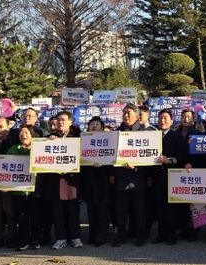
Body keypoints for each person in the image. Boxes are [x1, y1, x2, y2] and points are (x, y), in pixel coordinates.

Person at [112, 104, 154, 247]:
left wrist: (137, 167)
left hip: (139, 177)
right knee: (120, 210)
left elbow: (151, 157)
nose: (126, 116)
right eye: (124, 113)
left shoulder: (146, 133)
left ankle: (140, 235)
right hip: (120, 177)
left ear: (137, 115)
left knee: (139, 210)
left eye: (129, 113)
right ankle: (121, 235)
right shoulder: (116, 132)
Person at [42, 111, 82, 250]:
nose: (60, 122)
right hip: (55, 180)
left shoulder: (78, 137)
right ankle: (61, 237)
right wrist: (49, 141)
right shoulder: (49, 138)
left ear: (71, 122)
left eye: (63, 119)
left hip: (71, 180)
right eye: (58, 119)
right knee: (57, 211)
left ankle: (75, 236)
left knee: (73, 210)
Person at [153, 109, 190, 245]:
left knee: (172, 208)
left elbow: (182, 156)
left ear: (171, 121)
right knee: (159, 207)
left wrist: (169, 160)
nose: (162, 120)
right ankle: (160, 235)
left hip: (173, 176)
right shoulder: (152, 137)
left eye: (165, 118)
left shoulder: (177, 137)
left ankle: (172, 235)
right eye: (160, 118)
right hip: (157, 176)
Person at [8, 124, 42, 250]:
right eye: (21, 132)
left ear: (33, 135)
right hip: (19, 189)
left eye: (26, 132)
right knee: (22, 216)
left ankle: (35, 239)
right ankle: (23, 240)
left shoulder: (40, 148)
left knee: (35, 216)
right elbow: (5, 167)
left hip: (35, 188)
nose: (23, 135)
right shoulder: (13, 149)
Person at [80, 116, 112, 246]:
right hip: (88, 179)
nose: (94, 126)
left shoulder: (108, 141)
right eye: (91, 124)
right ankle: (92, 235)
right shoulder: (83, 140)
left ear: (102, 127)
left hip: (103, 179)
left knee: (102, 210)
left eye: (97, 124)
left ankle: (101, 237)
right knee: (91, 209)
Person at [0, 116, 18, 249]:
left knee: (10, 211)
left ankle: (11, 236)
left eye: (1, 126)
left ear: (8, 127)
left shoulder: (14, 141)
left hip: (10, 183)